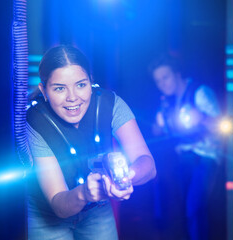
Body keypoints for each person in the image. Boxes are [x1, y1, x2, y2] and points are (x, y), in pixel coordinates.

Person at [26, 45, 156, 240]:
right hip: (48, 215)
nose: (72, 97)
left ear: (91, 81)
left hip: (97, 209)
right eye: (60, 88)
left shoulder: (111, 103)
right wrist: (86, 193)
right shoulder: (34, 121)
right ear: (43, 90)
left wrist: (127, 177)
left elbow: (147, 163)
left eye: (80, 84)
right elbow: (59, 205)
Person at [149, 55, 223, 240]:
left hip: (205, 157)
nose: (162, 84)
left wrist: (203, 118)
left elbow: (223, 125)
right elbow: (160, 131)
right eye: (158, 81)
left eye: (165, 77)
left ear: (177, 73)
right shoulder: (168, 101)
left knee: (194, 209)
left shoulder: (199, 92)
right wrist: (159, 125)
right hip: (183, 160)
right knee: (185, 212)